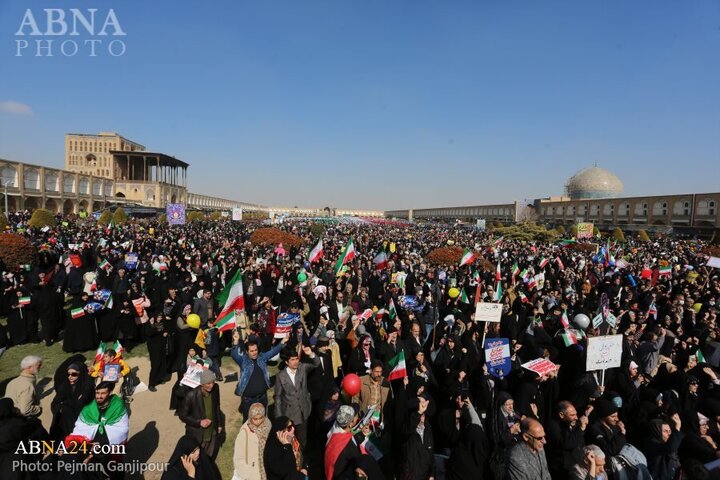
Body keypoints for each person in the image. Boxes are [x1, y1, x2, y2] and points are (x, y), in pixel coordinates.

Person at [70, 381, 129, 474]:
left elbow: (122, 428)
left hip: (110, 443)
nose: (99, 396)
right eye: (97, 393)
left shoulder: (118, 405)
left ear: (109, 393)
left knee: (114, 469)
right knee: (92, 469)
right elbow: (81, 426)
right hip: (93, 442)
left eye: (103, 393)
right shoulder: (89, 408)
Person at [230, 330, 288, 421]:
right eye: (252, 351)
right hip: (249, 400)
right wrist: (236, 341)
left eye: (256, 350)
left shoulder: (262, 357)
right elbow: (234, 354)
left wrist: (282, 342)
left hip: (262, 397)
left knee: (262, 420)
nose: (254, 353)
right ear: (247, 351)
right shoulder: (243, 361)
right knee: (248, 421)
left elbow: (273, 352)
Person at [273, 345, 320, 447]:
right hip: (289, 414)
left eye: (297, 359)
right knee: (290, 440)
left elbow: (316, 363)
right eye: (292, 360)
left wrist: (311, 354)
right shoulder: (280, 377)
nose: (295, 362)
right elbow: (278, 398)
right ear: (286, 362)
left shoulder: (303, 368)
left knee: (302, 440)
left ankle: (302, 459)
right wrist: (279, 419)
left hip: (303, 410)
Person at [178, 369, 225, 459]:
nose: (211, 386)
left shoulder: (216, 389)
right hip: (198, 434)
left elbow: (217, 407)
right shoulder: (191, 396)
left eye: (213, 382)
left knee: (209, 457)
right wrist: (199, 422)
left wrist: (219, 424)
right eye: (208, 383)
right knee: (197, 459)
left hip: (212, 431)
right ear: (201, 384)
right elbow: (182, 416)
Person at [50, 361, 95, 440]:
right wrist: (66, 404)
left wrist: (64, 403)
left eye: (74, 374)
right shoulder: (65, 384)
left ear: (80, 373)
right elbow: (55, 402)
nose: (70, 377)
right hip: (67, 417)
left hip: (84, 415)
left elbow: (82, 402)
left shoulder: (87, 383)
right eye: (68, 374)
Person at [545, 401, 588, 479]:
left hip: (576, 466)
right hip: (561, 470)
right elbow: (565, 444)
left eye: (576, 414)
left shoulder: (573, 423)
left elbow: (579, 441)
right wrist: (581, 429)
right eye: (572, 415)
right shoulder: (553, 426)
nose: (576, 417)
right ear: (561, 415)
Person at [232, 403, 272, 480]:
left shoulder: (268, 425)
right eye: (255, 419)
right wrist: (249, 474)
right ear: (250, 417)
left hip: (269, 471)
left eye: (261, 418)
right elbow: (238, 459)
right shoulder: (244, 433)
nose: (258, 421)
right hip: (253, 475)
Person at [643, 415, 685, 480]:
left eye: (670, 431)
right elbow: (670, 448)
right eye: (665, 431)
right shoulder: (652, 444)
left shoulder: (667, 443)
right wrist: (677, 427)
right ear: (657, 431)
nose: (669, 434)